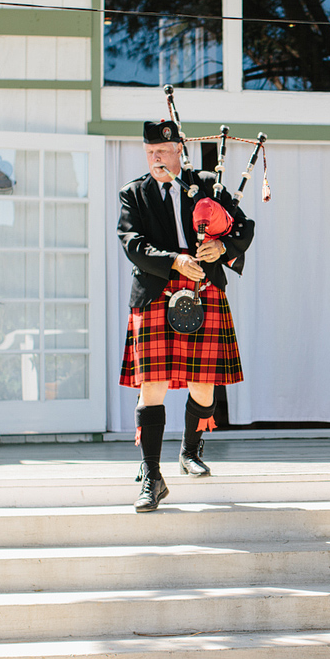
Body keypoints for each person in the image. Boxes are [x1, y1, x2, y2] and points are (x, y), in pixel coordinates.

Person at [116, 120, 255, 512]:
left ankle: (190, 450)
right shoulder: (134, 193)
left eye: (162, 151)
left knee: (204, 388)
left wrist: (222, 247)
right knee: (153, 386)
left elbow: (244, 227)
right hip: (156, 294)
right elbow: (133, 244)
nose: (155, 158)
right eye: (149, 153)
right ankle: (150, 476)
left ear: (180, 148)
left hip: (203, 292)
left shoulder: (206, 185)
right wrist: (175, 260)